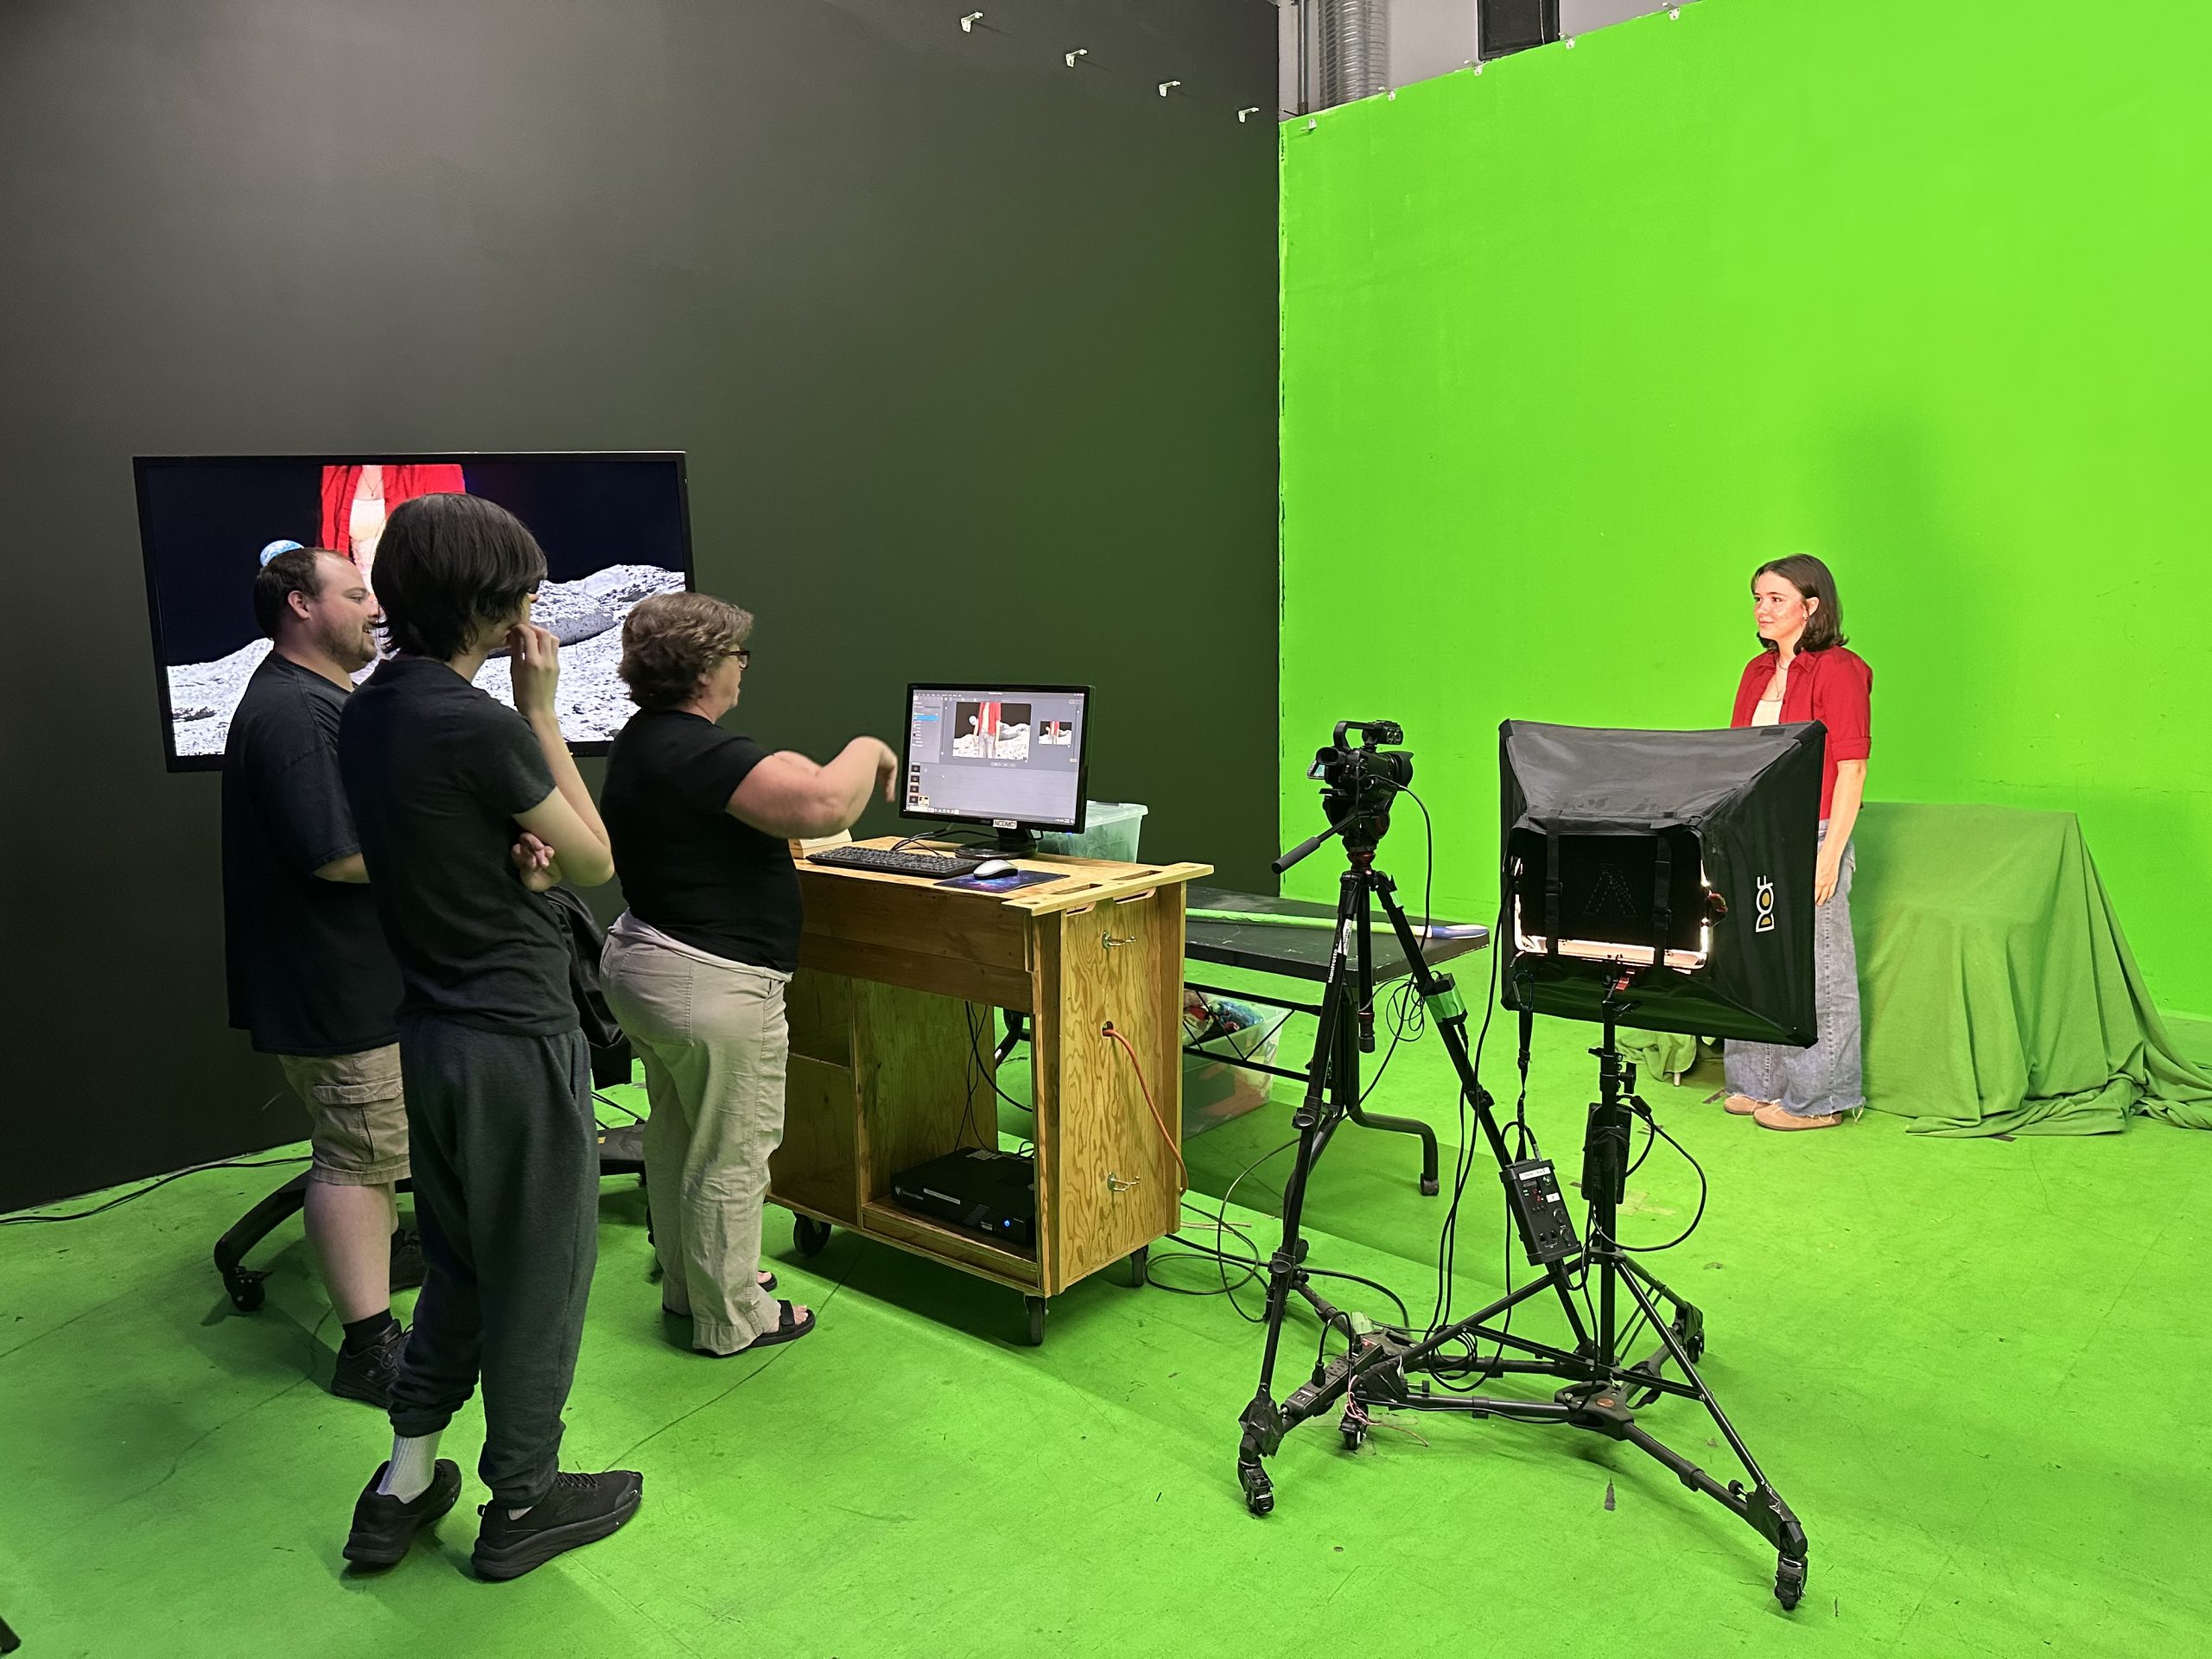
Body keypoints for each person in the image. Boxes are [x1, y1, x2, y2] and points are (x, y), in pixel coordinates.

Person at [334, 492, 642, 1580]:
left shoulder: (371, 709)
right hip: (513, 1036)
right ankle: (525, 1499)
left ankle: (403, 1485)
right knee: (543, 1276)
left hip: (431, 1035)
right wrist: (541, 711)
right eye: (523, 594)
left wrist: (516, 859)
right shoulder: (480, 722)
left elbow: (463, 843)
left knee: (462, 1268)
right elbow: (595, 857)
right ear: (490, 604)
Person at [596, 593, 896, 1357]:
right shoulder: (700, 752)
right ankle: (731, 1318)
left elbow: (768, 786)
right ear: (706, 667)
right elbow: (823, 805)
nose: (743, 670)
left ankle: (689, 1286)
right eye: (738, 657)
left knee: (678, 1139)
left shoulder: (647, 740)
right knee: (732, 1152)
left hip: (651, 963)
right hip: (713, 981)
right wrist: (869, 748)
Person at [221, 547, 414, 1406]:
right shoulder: (297, 712)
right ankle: (369, 1348)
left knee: (366, 1151)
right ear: (300, 604)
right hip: (336, 987)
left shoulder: (312, 699)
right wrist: (451, 854)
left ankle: (380, 1266)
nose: (376, 608)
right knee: (354, 1161)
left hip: (347, 979)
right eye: (357, 593)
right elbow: (337, 855)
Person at [1722, 554, 1872, 1133]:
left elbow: (1852, 769)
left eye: (1776, 599)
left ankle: (1822, 1099)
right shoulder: (1756, 672)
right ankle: (1756, 1083)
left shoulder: (1840, 670)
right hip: (1757, 832)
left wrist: (1829, 856)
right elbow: (1738, 759)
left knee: (1819, 969)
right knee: (1755, 957)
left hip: (1815, 833)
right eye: (1758, 598)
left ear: (1811, 607)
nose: (1762, 609)